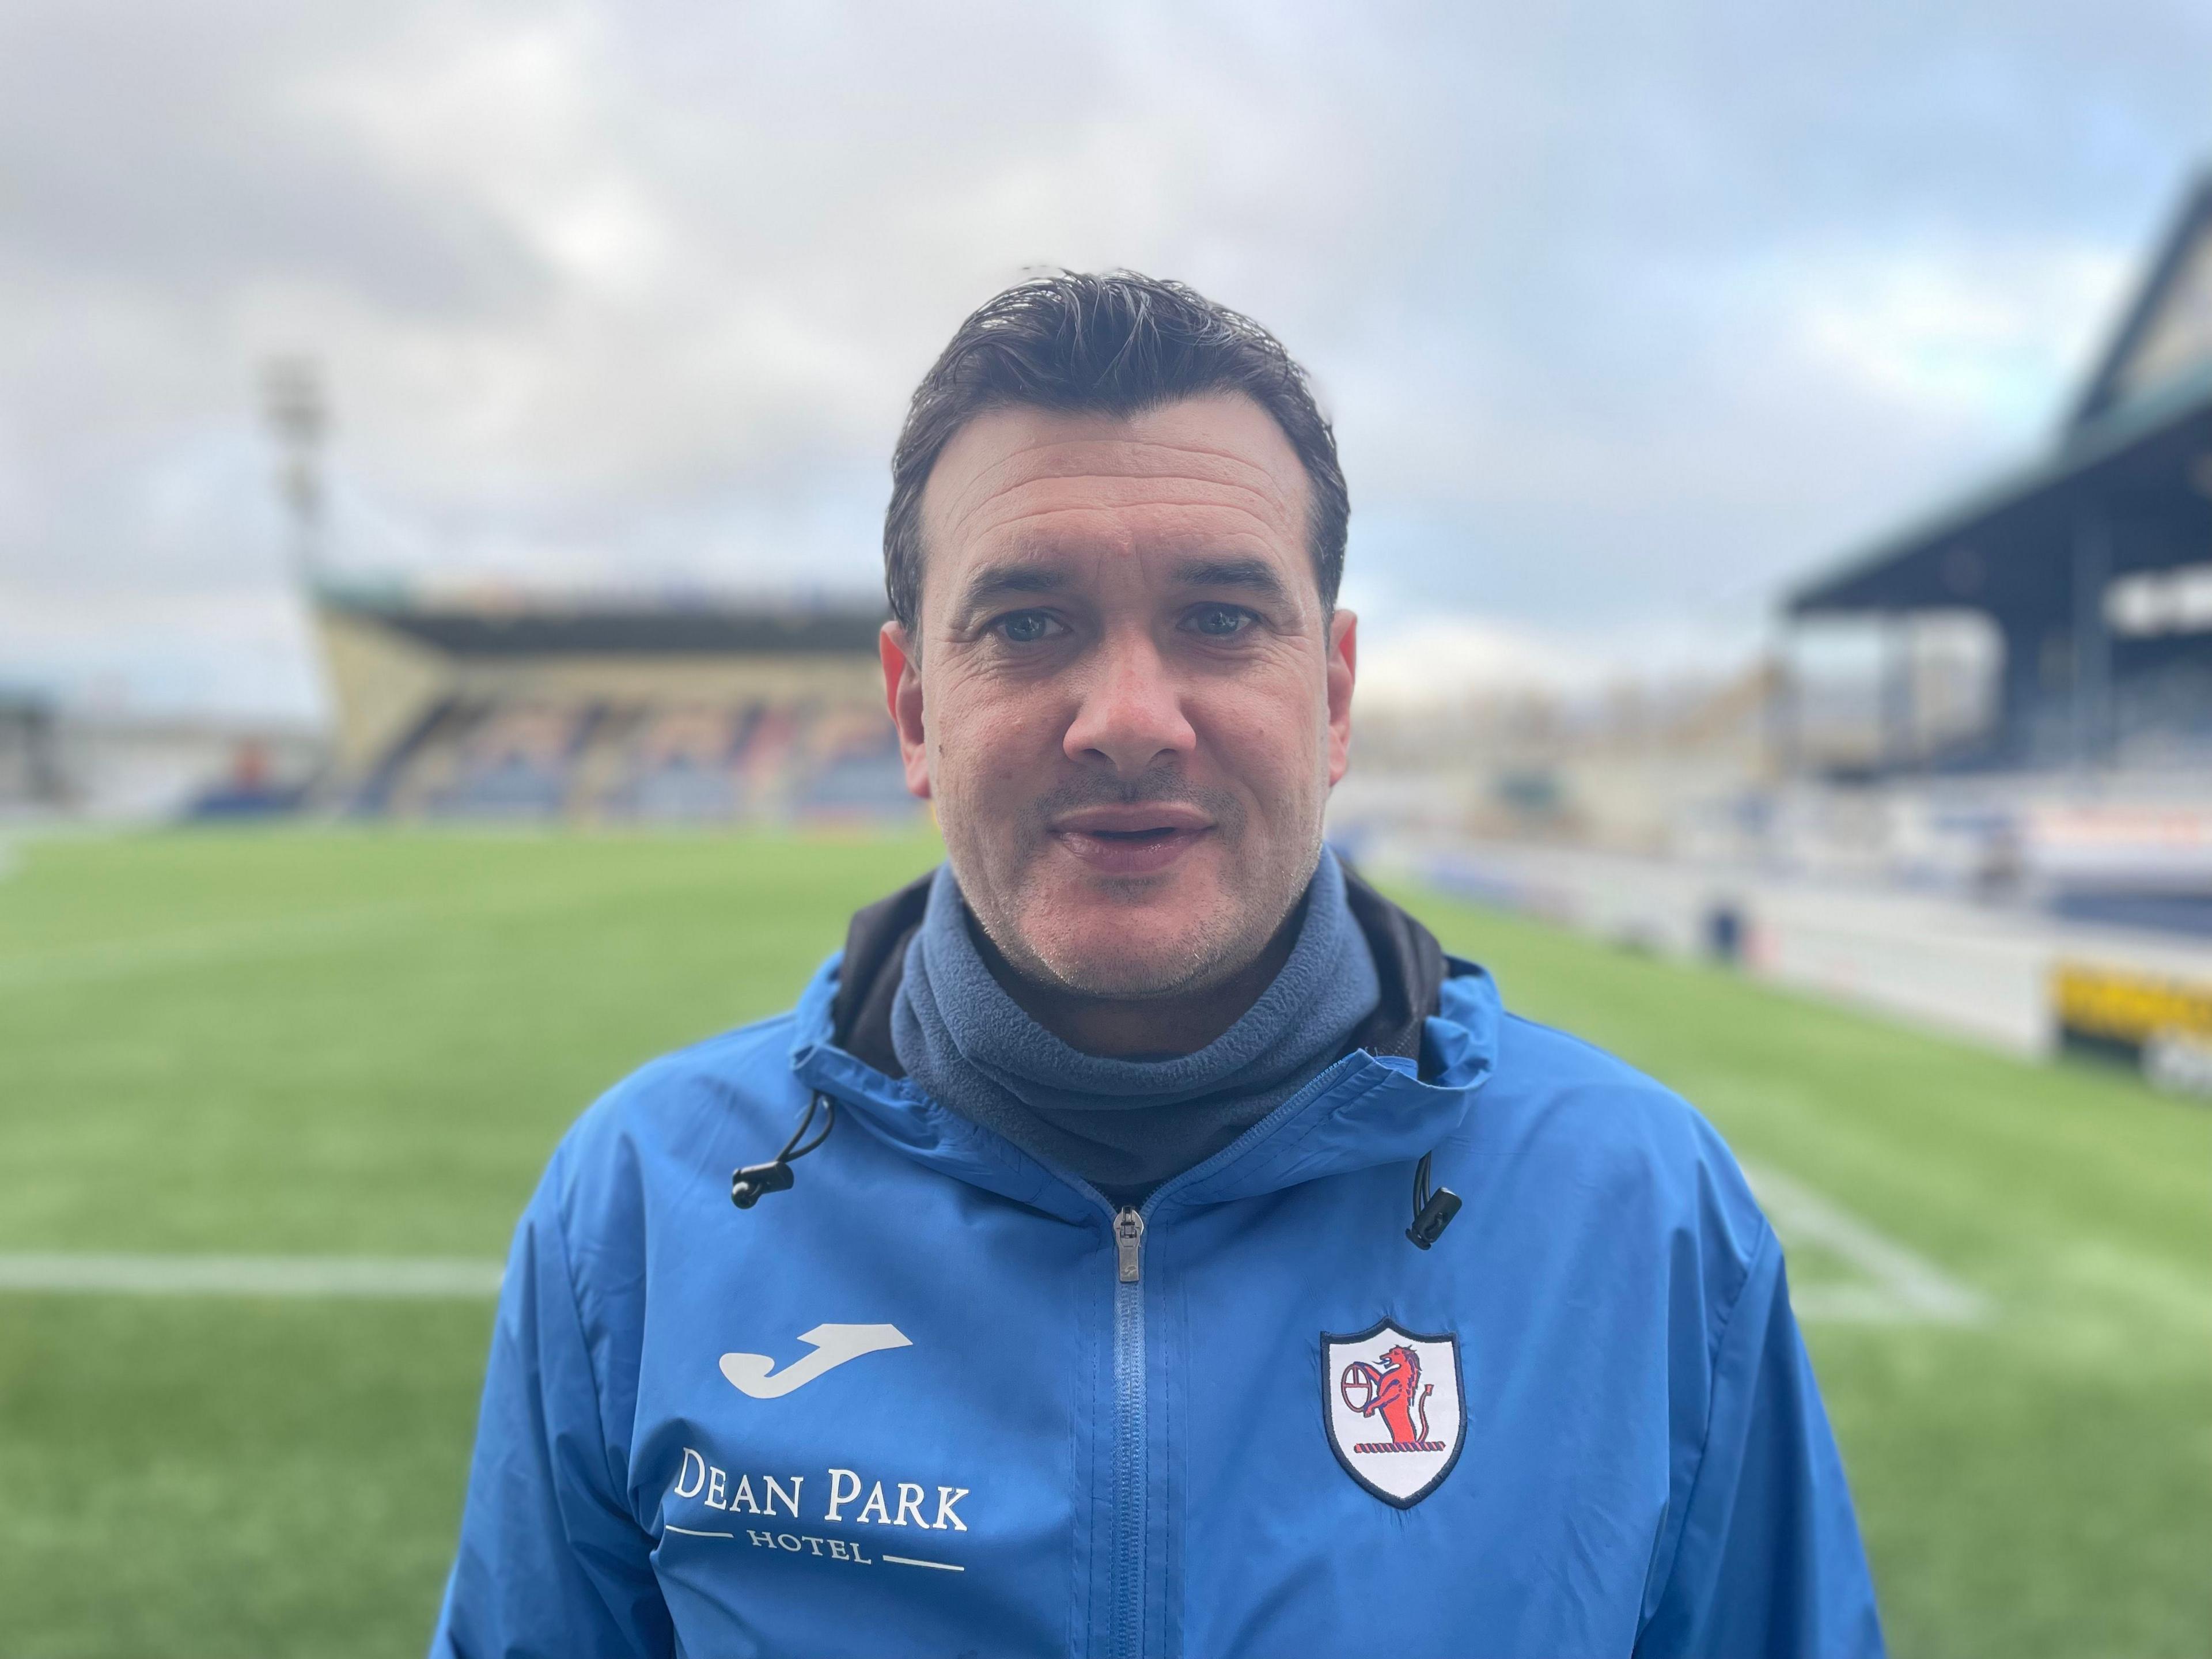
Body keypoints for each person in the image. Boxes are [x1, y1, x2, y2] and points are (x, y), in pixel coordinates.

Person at [431, 272, 1884, 1658]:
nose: (1130, 718)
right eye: (1029, 624)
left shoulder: (1642, 1214)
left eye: (1220, 619)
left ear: (1332, 696)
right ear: (913, 708)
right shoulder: (640, 1207)